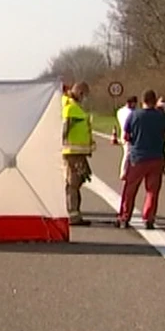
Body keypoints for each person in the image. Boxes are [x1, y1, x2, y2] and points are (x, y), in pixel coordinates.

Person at [117, 90, 165, 229]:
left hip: (138, 158)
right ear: (154, 101)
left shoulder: (134, 115)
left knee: (130, 189)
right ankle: (149, 218)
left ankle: (124, 217)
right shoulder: (161, 117)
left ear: (142, 101)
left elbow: (126, 136)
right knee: (152, 190)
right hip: (156, 157)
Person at [59, 81, 96, 226]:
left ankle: (74, 212)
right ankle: (73, 214)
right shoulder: (71, 109)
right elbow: (65, 130)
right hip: (72, 153)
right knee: (73, 183)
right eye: (85, 95)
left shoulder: (74, 108)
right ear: (80, 93)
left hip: (77, 153)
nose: (85, 98)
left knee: (79, 179)